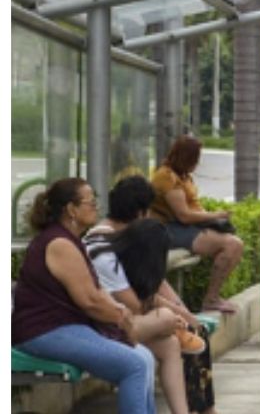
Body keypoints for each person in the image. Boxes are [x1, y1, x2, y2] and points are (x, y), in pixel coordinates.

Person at [12, 178, 157, 414]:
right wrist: (123, 318)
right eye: (91, 202)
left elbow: (97, 292)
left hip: (67, 327)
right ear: (71, 209)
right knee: (134, 365)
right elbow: (89, 301)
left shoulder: (70, 240)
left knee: (145, 357)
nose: (96, 207)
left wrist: (122, 314)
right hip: (45, 331)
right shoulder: (59, 243)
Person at [85, 176, 214, 414]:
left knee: (173, 343)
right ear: (141, 212)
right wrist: (177, 315)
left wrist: (182, 311)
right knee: (170, 322)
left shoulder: (126, 237)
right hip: (105, 324)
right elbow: (135, 303)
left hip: (124, 319)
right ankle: (206, 411)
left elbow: (152, 280)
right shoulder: (103, 248)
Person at [150, 135, 245, 314]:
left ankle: (213, 297)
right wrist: (216, 214)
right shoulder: (167, 177)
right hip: (169, 228)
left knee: (234, 242)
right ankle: (211, 300)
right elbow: (184, 216)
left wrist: (214, 221)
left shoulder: (183, 176)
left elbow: (193, 208)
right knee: (232, 245)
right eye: (195, 159)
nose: (197, 163)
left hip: (184, 227)